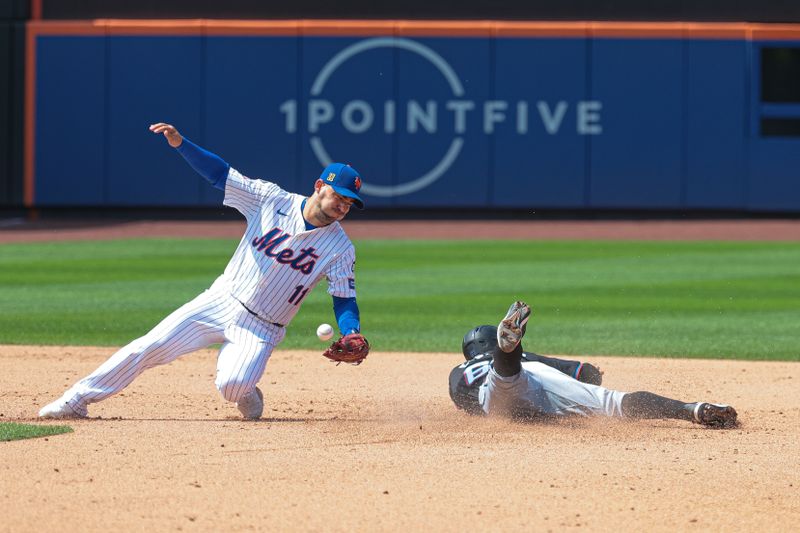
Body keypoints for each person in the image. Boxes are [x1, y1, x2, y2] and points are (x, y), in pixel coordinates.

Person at [39, 123, 368, 420]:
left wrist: (351, 330)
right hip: (221, 299)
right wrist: (181, 144)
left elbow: (343, 298)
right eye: (339, 196)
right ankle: (75, 400)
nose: (342, 206)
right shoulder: (271, 199)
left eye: (349, 203)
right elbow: (220, 175)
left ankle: (246, 390)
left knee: (232, 386)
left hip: (263, 328)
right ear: (319, 186)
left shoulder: (340, 248)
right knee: (148, 346)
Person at [449, 301, 739, 428]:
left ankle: (507, 353)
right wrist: (588, 378)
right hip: (534, 374)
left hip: (494, 391)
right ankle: (691, 409)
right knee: (614, 402)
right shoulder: (532, 359)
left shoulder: (458, 373)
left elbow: (467, 404)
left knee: (504, 380)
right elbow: (584, 372)